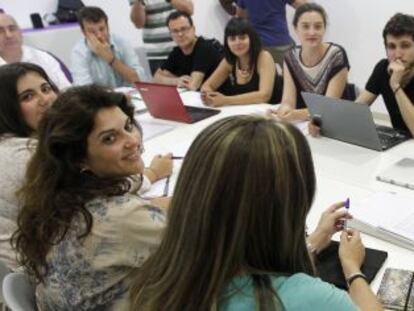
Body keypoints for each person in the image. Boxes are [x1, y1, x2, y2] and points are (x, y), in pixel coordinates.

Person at [129, 115, 382, 310]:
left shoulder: (160, 276)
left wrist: (314, 241)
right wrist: (352, 268)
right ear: (292, 202)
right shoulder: (309, 299)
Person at [12, 85, 172, 310]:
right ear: (79, 160)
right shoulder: (123, 217)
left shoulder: (55, 198)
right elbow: (206, 251)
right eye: (109, 138)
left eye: (128, 126)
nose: (133, 141)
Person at [310, 13, 414, 138]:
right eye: (391, 47)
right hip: (402, 144)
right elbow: (356, 110)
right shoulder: (382, 68)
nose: (397, 54)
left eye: (405, 46)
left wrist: (396, 86)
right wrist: (323, 123)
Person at [0, 63, 58, 270]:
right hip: (34, 274)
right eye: (28, 97)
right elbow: (101, 194)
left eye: (46, 88)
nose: (45, 100)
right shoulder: (30, 155)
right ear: (7, 109)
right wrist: (151, 173)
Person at [272, 3, 349, 122]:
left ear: (324, 29)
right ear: (296, 28)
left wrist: (295, 114)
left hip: (335, 122)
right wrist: (283, 111)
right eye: (305, 26)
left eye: (318, 27)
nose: (312, 32)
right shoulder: (290, 57)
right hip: (305, 123)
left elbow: (328, 106)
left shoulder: (336, 55)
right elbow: (288, 100)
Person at [201, 17, 282, 107]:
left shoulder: (263, 57)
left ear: (251, 39)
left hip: (273, 112)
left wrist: (225, 100)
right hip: (246, 112)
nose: (237, 43)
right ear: (226, 42)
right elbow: (207, 86)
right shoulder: (229, 60)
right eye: (232, 39)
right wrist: (207, 95)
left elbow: (264, 96)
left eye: (242, 38)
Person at [71, 6, 146, 88]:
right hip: (100, 100)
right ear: (84, 33)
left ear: (108, 27)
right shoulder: (79, 53)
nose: (99, 35)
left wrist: (111, 60)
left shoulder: (122, 43)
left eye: (102, 29)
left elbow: (140, 79)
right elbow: (85, 91)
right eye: (92, 32)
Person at [153, 11, 224, 91]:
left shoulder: (204, 48)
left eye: (183, 29)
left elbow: (193, 86)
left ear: (193, 29)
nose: (180, 34)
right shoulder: (177, 52)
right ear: (171, 35)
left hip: (222, 99)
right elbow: (156, 78)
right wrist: (176, 81)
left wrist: (171, 79)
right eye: (175, 31)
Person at [0, 13, 71, 90]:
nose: (8, 35)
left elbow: (66, 91)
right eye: (0, 31)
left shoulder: (43, 58)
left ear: (20, 33)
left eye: (12, 29)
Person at [235, 0, 306, 67]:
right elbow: (305, 6)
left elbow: (240, 15)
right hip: (280, 42)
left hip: (257, 45)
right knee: (294, 76)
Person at [129, 0, 193, 75]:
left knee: (189, 84)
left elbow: (189, 9)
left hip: (183, 49)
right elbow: (138, 24)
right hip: (157, 54)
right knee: (162, 85)